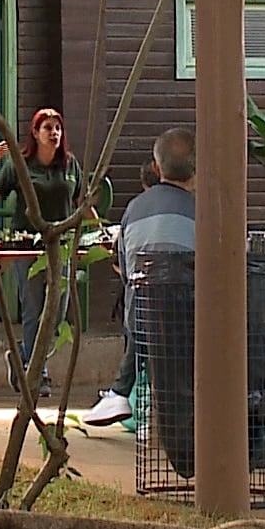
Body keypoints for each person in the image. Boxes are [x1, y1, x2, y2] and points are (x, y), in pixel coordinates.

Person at [85, 129, 194, 426]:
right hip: (193, 319)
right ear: (198, 169)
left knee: (142, 292)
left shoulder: (134, 209)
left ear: (156, 169)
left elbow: (121, 264)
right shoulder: (204, 210)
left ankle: (120, 391)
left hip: (142, 321)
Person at [0, 107, 86, 397]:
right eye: (47, 128)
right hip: (27, 244)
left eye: (57, 128)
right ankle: (36, 372)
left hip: (60, 245)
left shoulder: (70, 165)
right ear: (35, 133)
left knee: (58, 310)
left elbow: (81, 204)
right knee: (33, 306)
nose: (54, 133)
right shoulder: (20, 164)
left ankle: (24, 357)